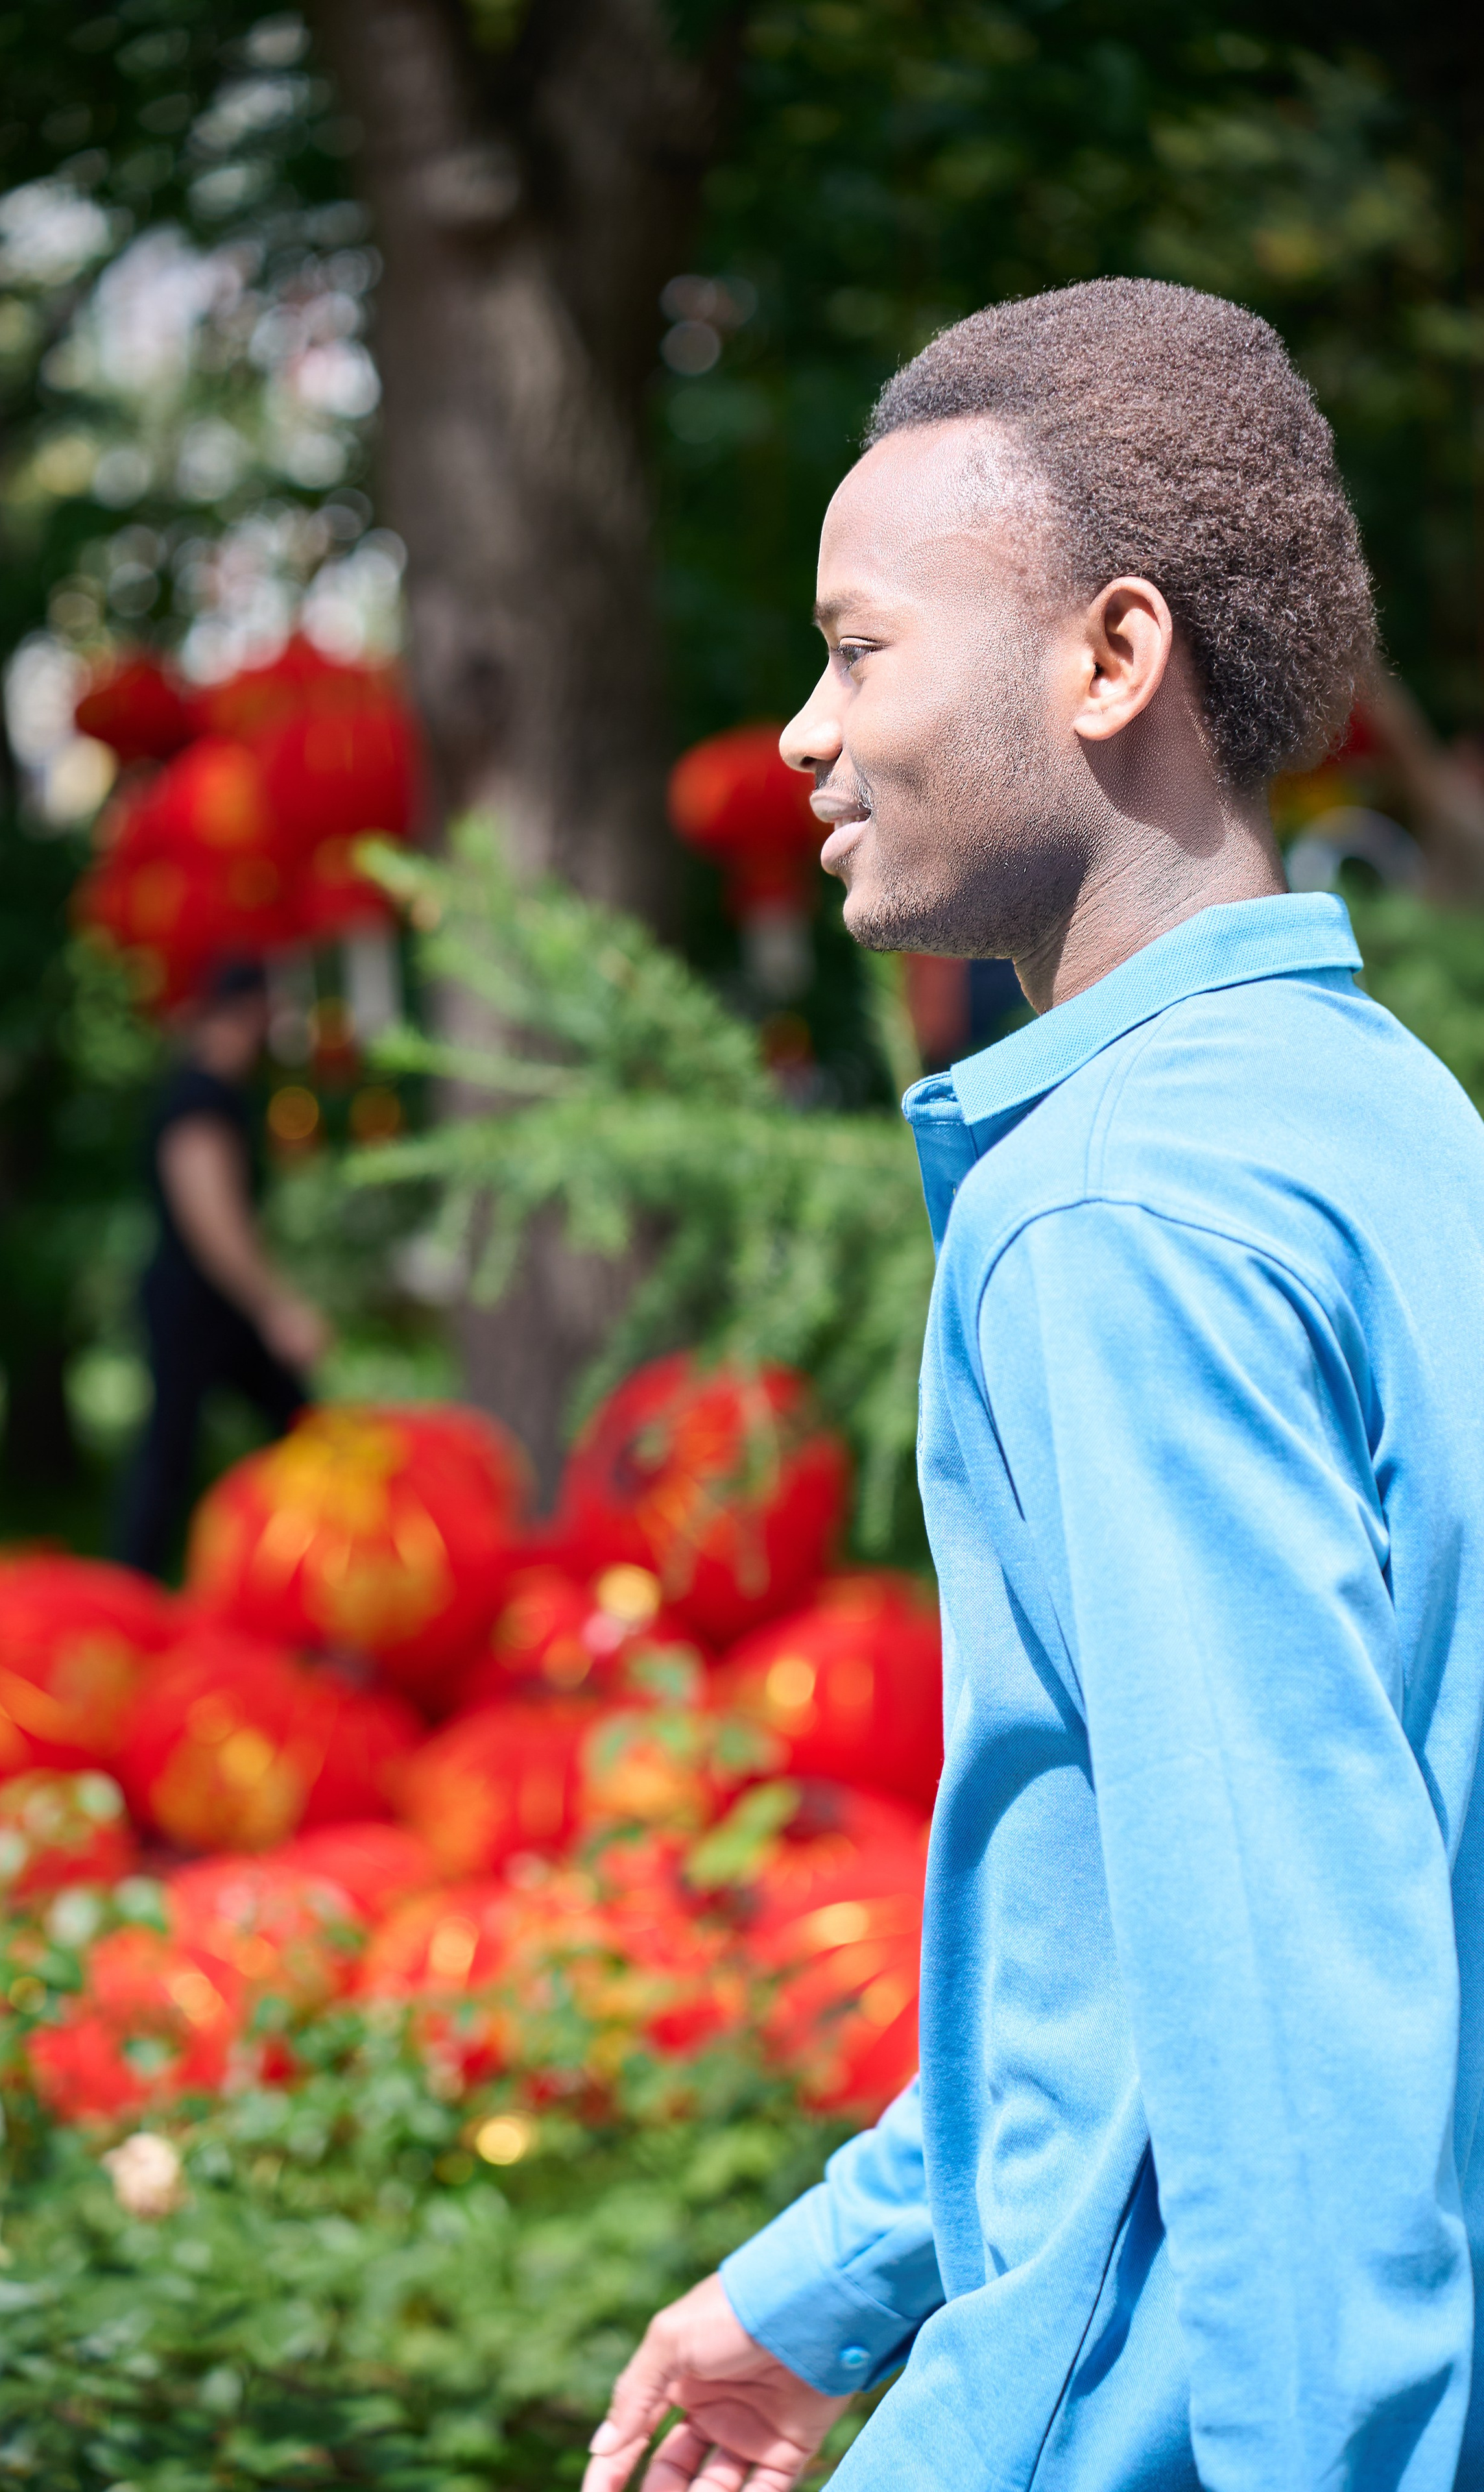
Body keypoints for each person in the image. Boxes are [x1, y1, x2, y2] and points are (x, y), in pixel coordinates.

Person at [584, 279, 1484, 2489]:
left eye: (859, 649)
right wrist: (828, 2278)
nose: (802, 731)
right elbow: (1141, 1936)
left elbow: (1282, 1992)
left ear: (1110, 656)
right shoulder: (1382, 1111)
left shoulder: (1111, 1213)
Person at [116, 957, 329, 1577]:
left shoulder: (217, 1092)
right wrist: (276, 1305)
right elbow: (211, 1217)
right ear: (250, 1010)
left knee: (301, 1430)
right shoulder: (201, 1099)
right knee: (171, 1451)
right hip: (197, 1302)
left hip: (215, 1302)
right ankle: (128, 1588)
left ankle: (319, 1567)